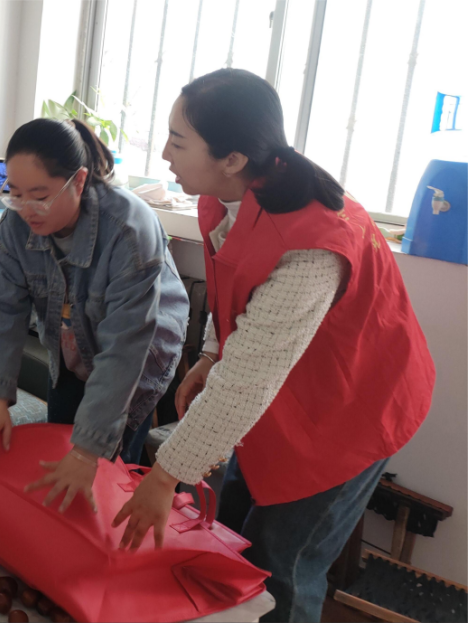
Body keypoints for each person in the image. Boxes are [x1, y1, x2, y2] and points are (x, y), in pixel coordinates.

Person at [112, 69, 435, 622]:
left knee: (281, 564)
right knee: (232, 535)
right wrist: (211, 353)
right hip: (287, 395)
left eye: (178, 141)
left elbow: (247, 380)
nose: (163, 153)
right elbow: (237, 286)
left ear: (233, 157)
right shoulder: (227, 195)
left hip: (353, 412)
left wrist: (165, 476)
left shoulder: (313, 244)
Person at [0, 117, 189, 513]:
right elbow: (1, 308)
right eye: (15, 194)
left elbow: (124, 350)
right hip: (69, 346)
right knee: (58, 458)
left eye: (39, 196)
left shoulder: (129, 229)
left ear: (79, 181)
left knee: (104, 477)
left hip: (138, 358)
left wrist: (87, 451)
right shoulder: (16, 225)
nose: (26, 209)